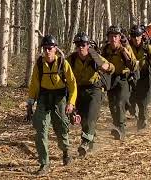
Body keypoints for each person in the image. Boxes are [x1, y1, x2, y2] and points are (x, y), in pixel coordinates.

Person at [27, 35, 77, 175]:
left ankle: (66, 151)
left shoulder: (63, 63)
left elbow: (73, 85)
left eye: (50, 48)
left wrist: (71, 103)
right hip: (43, 98)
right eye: (45, 48)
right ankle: (44, 163)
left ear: (55, 49)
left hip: (59, 98)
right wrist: (30, 102)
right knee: (41, 129)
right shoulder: (39, 64)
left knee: (61, 127)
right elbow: (34, 84)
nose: (47, 51)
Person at [67, 32, 115, 156]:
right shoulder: (71, 59)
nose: (80, 47)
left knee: (90, 116)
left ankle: (85, 142)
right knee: (82, 118)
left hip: (95, 89)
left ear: (88, 45)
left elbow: (111, 68)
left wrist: (105, 66)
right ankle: (91, 138)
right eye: (78, 45)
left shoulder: (95, 57)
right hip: (79, 90)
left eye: (83, 44)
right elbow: (62, 71)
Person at [102, 25, 137, 140]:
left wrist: (125, 53)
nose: (113, 39)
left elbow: (132, 65)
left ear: (119, 37)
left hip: (123, 78)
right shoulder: (106, 49)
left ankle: (121, 129)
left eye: (115, 36)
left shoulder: (124, 48)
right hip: (110, 79)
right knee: (112, 104)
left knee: (120, 102)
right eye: (111, 36)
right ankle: (117, 125)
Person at [128, 25, 151, 129]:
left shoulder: (148, 48)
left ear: (141, 36)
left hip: (145, 76)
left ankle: (142, 123)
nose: (135, 39)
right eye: (133, 36)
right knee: (132, 99)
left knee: (143, 101)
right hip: (132, 76)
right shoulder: (127, 47)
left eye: (138, 36)